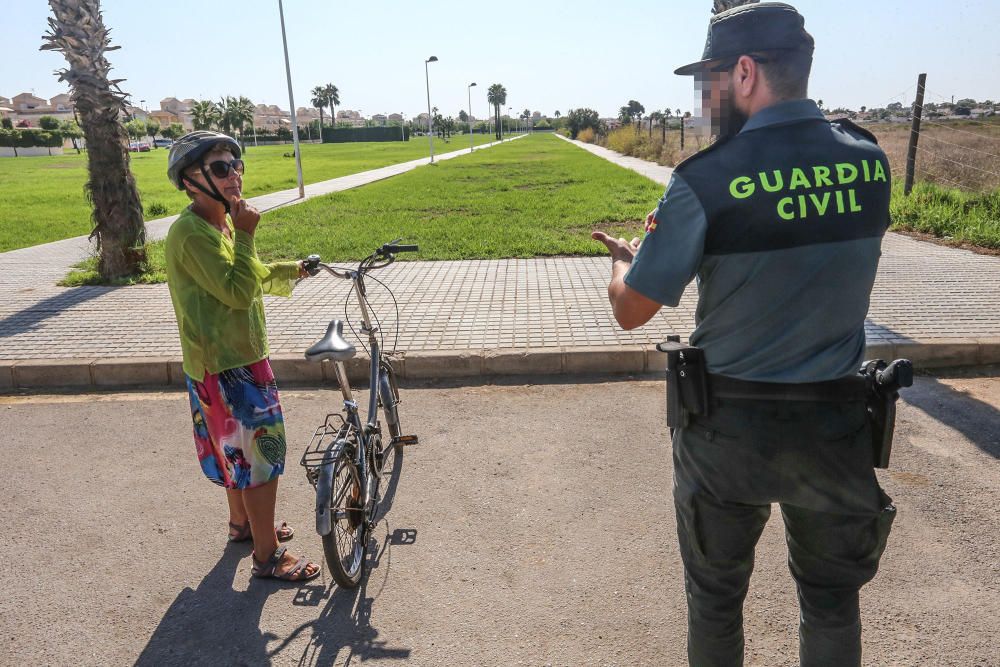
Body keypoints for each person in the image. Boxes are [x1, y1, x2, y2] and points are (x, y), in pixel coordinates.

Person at [592, 3, 895, 665]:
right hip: (836, 427)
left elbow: (632, 309)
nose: (704, 100)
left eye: (711, 83)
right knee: (831, 603)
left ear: (747, 72)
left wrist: (624, 263)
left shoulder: (703, 180)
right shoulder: (870, 164)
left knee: (716, 598)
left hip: (728, 434)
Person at [165, 131, 320, 582]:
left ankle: (244, 526)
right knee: (259, 462)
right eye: (219, 168)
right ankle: (267, 555)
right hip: (230, 365)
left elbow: (247, 276)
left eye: (236, 165)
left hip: (227, 360)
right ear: (190, 181)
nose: (234, 175)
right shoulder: (193, 233)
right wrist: (249, 234)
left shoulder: (219, 223)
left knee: (237, 456)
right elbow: (237, 291)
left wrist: (293, 270)